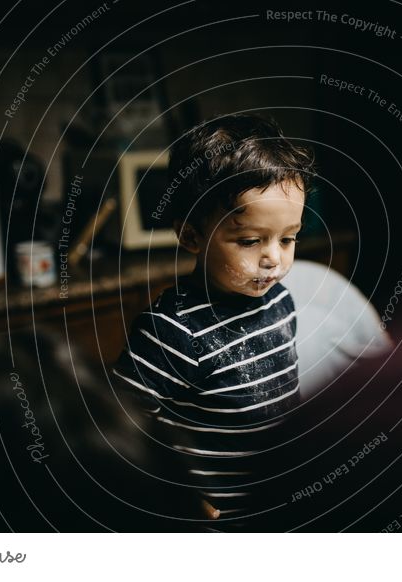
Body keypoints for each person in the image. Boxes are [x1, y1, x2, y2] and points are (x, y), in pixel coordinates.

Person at [112, 113, 315, 529]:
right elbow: (120, 422)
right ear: (191, 237)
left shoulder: (280, 301)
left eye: (288, 238)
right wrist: (174, 491)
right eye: (249, 240)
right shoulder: (172, 330)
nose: (273, 258)